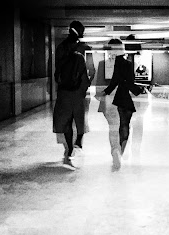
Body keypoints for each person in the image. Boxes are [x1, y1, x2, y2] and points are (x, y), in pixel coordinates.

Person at [99, 38, 143, 170]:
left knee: (114, 128)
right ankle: (120, 151)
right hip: (124, 99)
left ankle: (116, 152)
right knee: (124, 126)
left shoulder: (105, 63)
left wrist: (104, 93)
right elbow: (129, 83)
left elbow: (113, 82)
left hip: (112, 100)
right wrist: (140, 91)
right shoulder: (127, 64)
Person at [53, 20, 91, 167]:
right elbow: (87, 73)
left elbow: (57, 72)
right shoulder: (82, 48)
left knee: (67, 121)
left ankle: (69, 149)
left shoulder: (61, 47)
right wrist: (84, 89)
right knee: (79, 119)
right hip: (78, 91)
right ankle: (78, 143)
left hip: (64, 91)